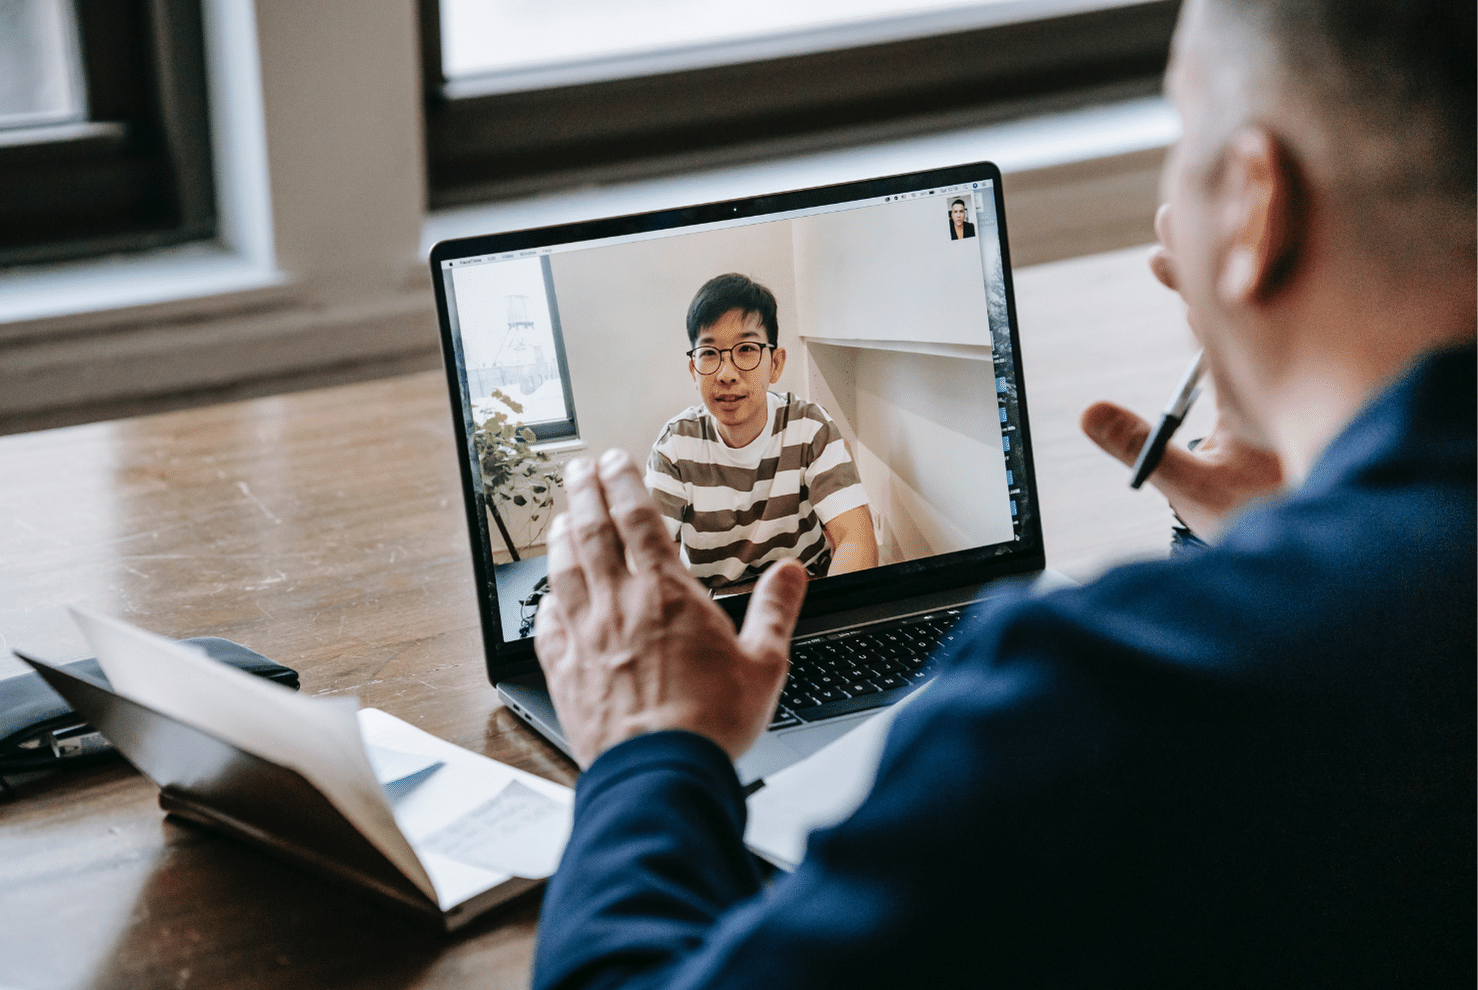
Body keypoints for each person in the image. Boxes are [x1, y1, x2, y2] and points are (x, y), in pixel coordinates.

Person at [532, 0, 1475, 985]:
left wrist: (647, 749)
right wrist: (1296, 542)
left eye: (1178, 132)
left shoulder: (1086, 701)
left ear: (1248, 205)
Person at [646, 273, 879, 592]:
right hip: (717, 613)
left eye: (746, 349)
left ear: (776, 363)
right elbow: (653, 563)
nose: (726, 375)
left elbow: (856, 537)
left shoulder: (809, 427)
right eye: (710, 353)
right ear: (693, 369)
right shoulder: (674, 447)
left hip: (805, 598)